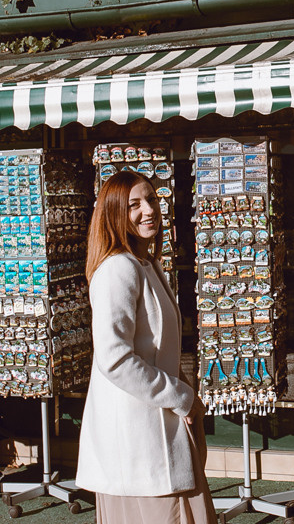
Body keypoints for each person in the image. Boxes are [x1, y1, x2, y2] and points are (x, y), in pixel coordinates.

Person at [76, 171, 214, 524]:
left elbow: (156, 347)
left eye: (151, 199)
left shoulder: (145, 264)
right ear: (114, 214)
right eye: (134, 204)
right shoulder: (118, 269)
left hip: (155, 430)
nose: (148, 210)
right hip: (137, 441)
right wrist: (180, 395)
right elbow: (114, 358)